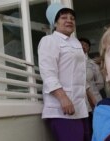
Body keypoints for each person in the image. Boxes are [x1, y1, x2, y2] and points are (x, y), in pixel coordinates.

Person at [38, 3, 91, 141]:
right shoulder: (49, 41)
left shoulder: (76, 43)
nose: (69, 20)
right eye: (63, 17)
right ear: (55, 23)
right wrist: (63, 98)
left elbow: (81, 76)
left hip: (80, 107)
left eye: (72, 18)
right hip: (62, 108)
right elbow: (48, 73)